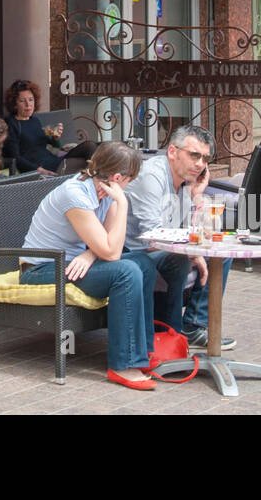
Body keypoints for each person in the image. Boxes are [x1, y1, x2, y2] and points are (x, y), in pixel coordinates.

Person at [19, 142, 157, 390]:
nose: (129, 185)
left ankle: (142, 353)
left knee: (143, 263)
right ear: (117, 178)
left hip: (71, 264)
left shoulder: (102, 192)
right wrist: (122, 204)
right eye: (130, 179)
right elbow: (112, 252)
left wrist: (89, 255)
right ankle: (122, 365)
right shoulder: (76, 194)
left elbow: (108, 242)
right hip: (39, 270)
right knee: (126, 272)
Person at [124, 125, 233, 351]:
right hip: (133, 251)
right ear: (172, 152)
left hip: (161, 249)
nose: (200, 164)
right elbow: (152, 235)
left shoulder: (185, 182)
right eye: (194, 155)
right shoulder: (152, 176)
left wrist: (197, 196)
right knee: (181, 259)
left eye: (205, 158)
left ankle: (193, 326)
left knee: (221, 254)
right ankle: (174, 338)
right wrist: (192, 251)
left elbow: (205, 231)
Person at [2, 79, 95, 174]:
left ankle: (94, 175)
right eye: (22, 101)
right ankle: (93, 176)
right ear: (15, 104)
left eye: (31, 99)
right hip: (42, 167)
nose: (28, 104)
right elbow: (15, 157)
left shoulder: (35, 120)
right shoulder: (11, 124)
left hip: (54, 161)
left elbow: (55, 146)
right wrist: (39, 170)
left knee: (89, 146)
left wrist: (55, 138)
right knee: (84, 162)